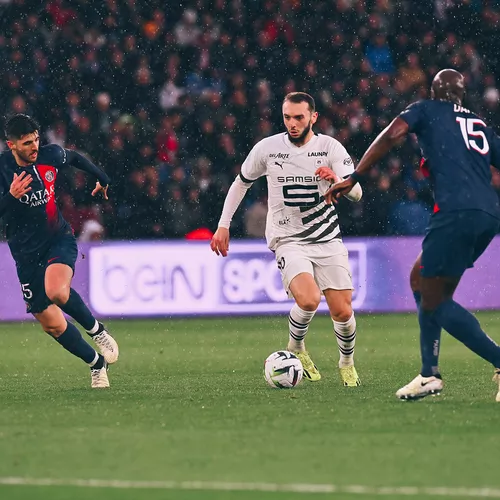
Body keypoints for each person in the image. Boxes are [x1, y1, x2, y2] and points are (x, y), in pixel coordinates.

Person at [325, 69, 500, 401]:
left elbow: (393, 133)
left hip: (455, 212)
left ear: (434, 93)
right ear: (462, 95)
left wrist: (355, 176)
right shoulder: (479, 124)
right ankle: (429, 373)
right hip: (488, 215)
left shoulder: (426, 109)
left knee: (434, 298)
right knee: (422, 281)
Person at [210, 92, 363, 387]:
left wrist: (336, 179)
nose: (292, 123)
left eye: (299, 117)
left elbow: (357, 193)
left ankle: (346, 362)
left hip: (327, 238)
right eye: (287, 117)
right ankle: (296, 347)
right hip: (287, 238)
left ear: (313, 117)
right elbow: (241, 182)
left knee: (343, 311)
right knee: (309, 298)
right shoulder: (268, 149)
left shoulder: (330, 148)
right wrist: (223, 225)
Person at [0, 114, 119, 389]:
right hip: (26, 255)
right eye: (27, 143)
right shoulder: (2, 170)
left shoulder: (49, 155)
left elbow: (74, 157)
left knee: (56, 291)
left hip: (57, 239)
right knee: (51, 324)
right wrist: (11, 197)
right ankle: (96, 364)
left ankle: (98, 331)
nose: (34, 146)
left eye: (36, 139)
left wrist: (102, 178)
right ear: (12, 144)